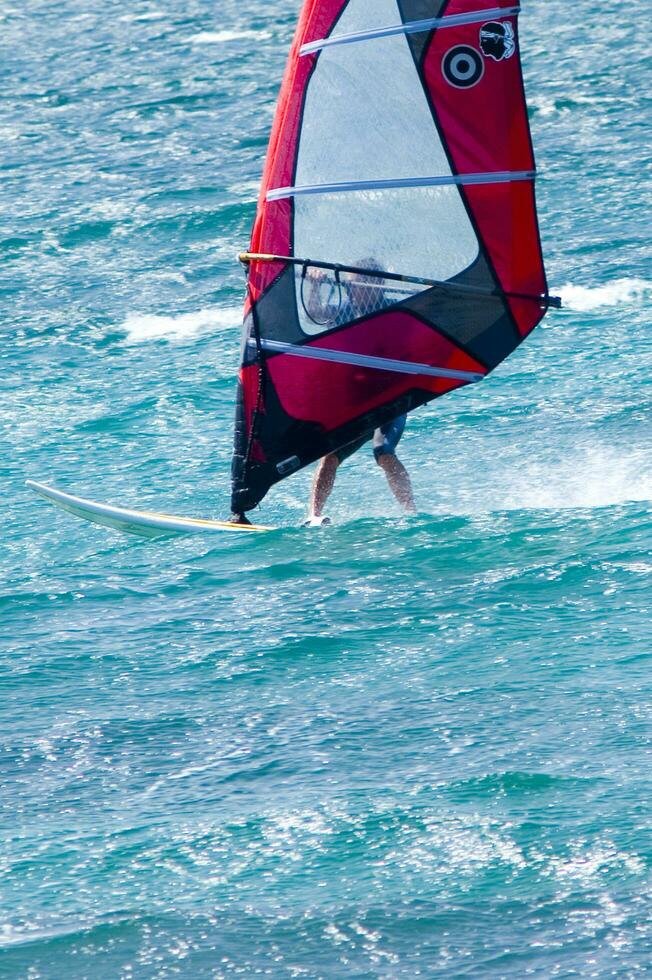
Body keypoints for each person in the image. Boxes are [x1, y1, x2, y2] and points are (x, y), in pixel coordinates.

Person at [305, 414, 415, 526]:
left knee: (384, 453)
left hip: (390, 408)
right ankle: (314, 516)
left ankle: (410, 512)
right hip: (360, 413)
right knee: (330, 457)